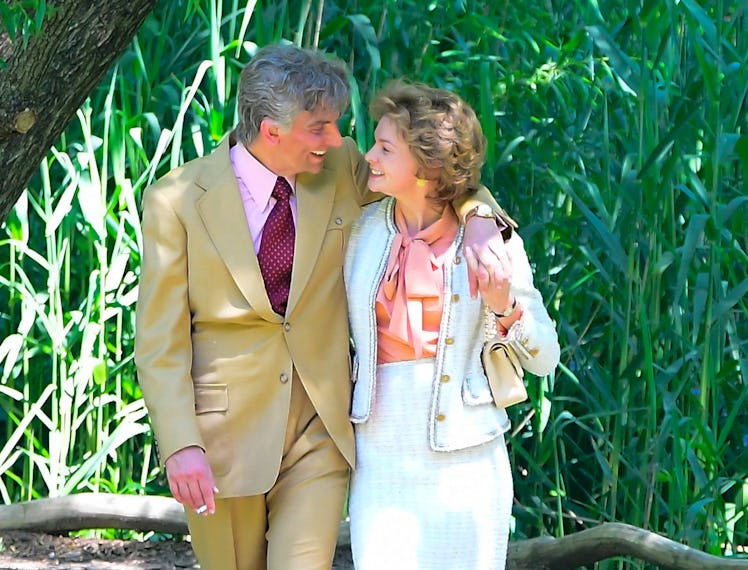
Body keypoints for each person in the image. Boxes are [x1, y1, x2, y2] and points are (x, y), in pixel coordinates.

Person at [134, 45, 508, 570]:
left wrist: (480, 216)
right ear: (271, 131)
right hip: (223, 440)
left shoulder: (339, 170)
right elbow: (159, 340)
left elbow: (436, 180)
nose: (336, 140)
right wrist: (179, 444)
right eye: (320, 128)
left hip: (320, 430)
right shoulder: (174, 200)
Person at [344, 81, 561, 569]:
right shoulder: (357, 232)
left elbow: (545, 358)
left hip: (467, 467)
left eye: (384, 148)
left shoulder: (491, 242)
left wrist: (504, 305)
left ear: (428, 166)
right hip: (378, 462)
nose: (368, 157)